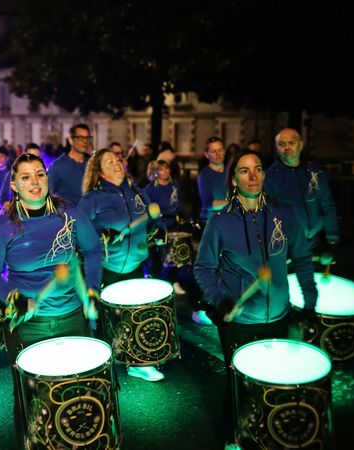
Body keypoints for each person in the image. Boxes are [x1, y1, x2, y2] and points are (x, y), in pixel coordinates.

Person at [194, 148, 317, 449]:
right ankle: (233, 437)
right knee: (240, 385)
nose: (253, 176)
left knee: (275, 380)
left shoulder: (284, 214)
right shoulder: (220, 221)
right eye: (244, 171)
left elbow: (301, 258)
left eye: (258, 169)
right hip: (240, 321)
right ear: (234, 180)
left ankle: (270, 435)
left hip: (279, 314)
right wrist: (220, 299)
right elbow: (204, 268)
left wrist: (310, 302)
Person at [0, 153, 102, 446]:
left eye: (40, 174)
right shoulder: (4, 226)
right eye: (26, 177)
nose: (35, 182)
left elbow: (94, 250)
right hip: (29, 325)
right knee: (31, 396)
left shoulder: (68, 213)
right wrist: (14, 297)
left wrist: (91, 291)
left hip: (72, 318)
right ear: (15, 184)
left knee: (77, 392)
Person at [78, 148, 167, 381]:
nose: (117, 162)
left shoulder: (136, 191)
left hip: (136, 266)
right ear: (99, 171)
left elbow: (151, 219)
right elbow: (78, 230)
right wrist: (100, 233)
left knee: (134, 316)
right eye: (109, 161)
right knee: (108, 320)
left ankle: (137, 362)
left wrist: (156, 231)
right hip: (108, 268)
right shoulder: (92, 198)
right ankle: (98, 368)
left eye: (117, 159)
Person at [144, 160, 213, 326]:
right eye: (161, 169)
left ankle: (194, 303)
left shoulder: (175, 185)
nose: (165, 171)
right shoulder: (150, 189)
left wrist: (183, 215)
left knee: (183, 263)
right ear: (155, 172)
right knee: (161, 265)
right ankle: (159, 299)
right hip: (159, 230)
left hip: (176, 228)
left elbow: (180, 203)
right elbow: (149, 211)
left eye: (167, 168)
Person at [264, 128, 339, 255]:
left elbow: (327, 205)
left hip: (317, 243)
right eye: (281, 144)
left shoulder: (314, 172)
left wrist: (332, 238)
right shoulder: (269, 178)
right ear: (276, 148)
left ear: (301, 145)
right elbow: (267, 215)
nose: (287, 147)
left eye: (291, 143)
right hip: (288, 246)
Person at [47, 124, 93, 205]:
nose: (85, 142)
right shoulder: (58, 166)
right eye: (80, 138)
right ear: (71, 140)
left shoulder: (92, 163)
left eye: (87, 138)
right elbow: (49, 195)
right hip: (69, 215)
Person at [197, 137, 229, 224]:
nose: (217, 154)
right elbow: (209, 205)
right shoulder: (205, 175)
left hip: (229, 220)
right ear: (207, 154)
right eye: (213, 151)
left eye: (220, 150)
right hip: (211, 222)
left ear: (224, 151)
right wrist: (232, 202)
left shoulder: (231, 171)